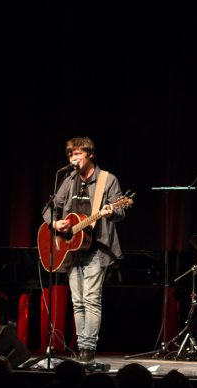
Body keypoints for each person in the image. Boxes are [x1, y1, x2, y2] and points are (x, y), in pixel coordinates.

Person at [43, 136, 125, 364]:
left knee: (91, 299)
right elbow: (49, 209)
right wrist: (54, 223)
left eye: (78, 153)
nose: (73, 157)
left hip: (97, 248)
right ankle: (82, 348)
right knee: (77, 301)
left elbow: (121, 211)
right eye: (71, 154)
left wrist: (111, 211)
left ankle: (88, 350)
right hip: (71, 248)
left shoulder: (107, 180)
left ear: (90, 154)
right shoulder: (68, 180)